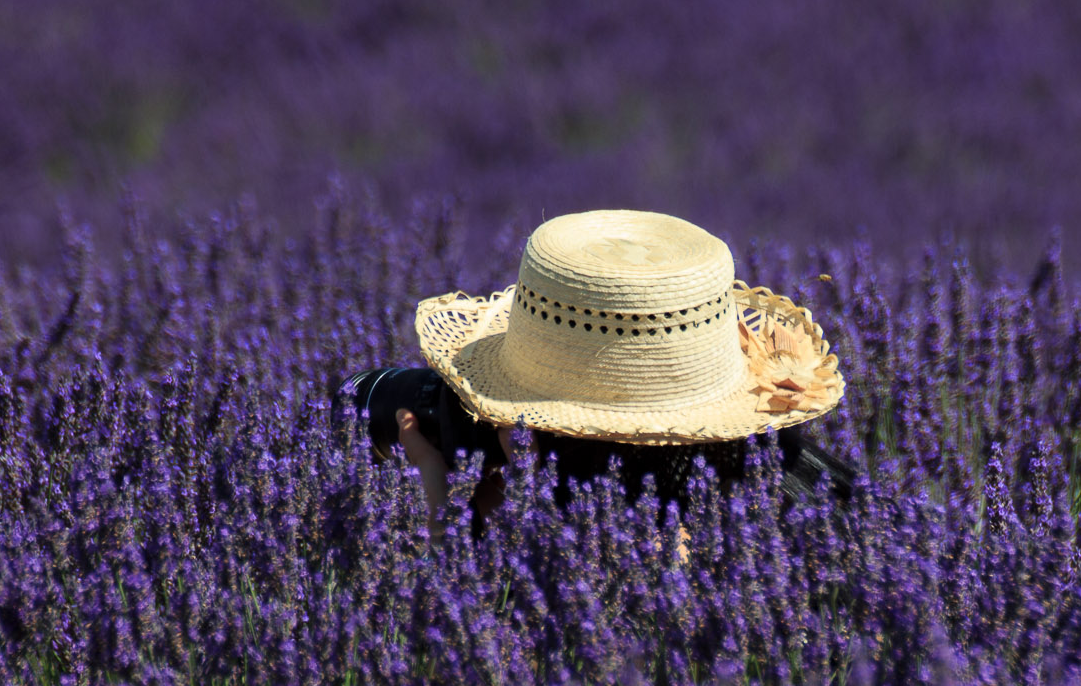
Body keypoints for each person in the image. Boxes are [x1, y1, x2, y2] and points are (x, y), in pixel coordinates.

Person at [348, 209, 858, 541]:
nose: (489, 425)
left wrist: (448, 530)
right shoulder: (814, 514)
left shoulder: (656, 567)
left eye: (510, 416)